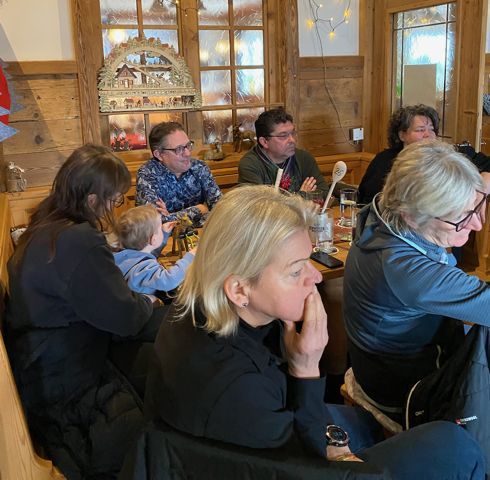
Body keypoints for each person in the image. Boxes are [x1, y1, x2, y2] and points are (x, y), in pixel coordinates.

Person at [144, 184, 485, 479]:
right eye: (296, 271)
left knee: (365, 424)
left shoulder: (206, 302)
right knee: (456, 444)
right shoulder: (234, 387)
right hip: (268, 456)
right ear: (239, 289)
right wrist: (306, 368)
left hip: (270, 427)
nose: (316, 276)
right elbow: (303, 463)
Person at [5, 144, 166, 479]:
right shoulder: (78, 240)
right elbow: (125, 317)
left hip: (41, 363)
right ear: (93, 199)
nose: (114, 207)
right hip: (65, 383)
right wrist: (147, 302)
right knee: (172, 329)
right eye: (115, 200)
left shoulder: (44, 224)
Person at [344, 140, 490, 460]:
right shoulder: (405, 271)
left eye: (478, 206)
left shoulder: (384, 208)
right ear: (413, 217)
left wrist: (475, 194)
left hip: (376, 361)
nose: (478, 224)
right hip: (402, 388)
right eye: (462, 217)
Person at [358, 104, 490, 205]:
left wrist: (480, 191)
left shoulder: (451, 155)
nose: (428, 135)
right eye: (420, 130)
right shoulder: (385, 160)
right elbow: (368, 200)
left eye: (432, 129)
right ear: (402, 135)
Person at [238, 108, 349, 196]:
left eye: (293, 133)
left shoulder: (303, 158)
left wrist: (292, 199)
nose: (292, 140)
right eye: (283, 136)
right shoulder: (250, 165)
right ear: (264, 142)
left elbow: (323, 194)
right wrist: (301, 196)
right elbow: (260, 207)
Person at [136, 121, 222, 226]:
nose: (188, 153)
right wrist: (199, 209)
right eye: (179, 149)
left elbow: (221, 209)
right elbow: (153, 223)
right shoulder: (147, 174)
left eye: (188, 145)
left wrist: (171, 217)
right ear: (159, 154)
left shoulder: (199, 167)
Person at [114, 204, 195, 295]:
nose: (162, 227)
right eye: (160, 228)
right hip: (142, 303)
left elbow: (149, 252)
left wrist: (164, 233)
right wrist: (190, 257)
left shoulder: (126, 256)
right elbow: (169, 280)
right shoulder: (142, 269)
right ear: (153, 239)